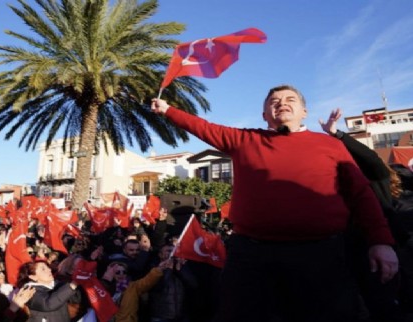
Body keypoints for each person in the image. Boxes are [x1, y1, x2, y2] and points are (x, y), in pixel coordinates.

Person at [151, 84, 399, 322]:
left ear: (304, 112)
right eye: (274, 101)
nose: (281, 104)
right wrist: (167, 110)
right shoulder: (244, 140)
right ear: (264, 114)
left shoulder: (331, 145)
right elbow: (202, 126)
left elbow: (361, 195)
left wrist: (381, 241)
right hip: (251, 256)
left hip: (320, 256)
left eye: (290, 100)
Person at [320, 108, 412, 321]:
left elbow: (370, 158)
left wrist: (338, 134)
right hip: (350, 254)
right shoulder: (338, 187)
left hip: (384, 252)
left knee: (388, 304)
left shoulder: (375, 179)